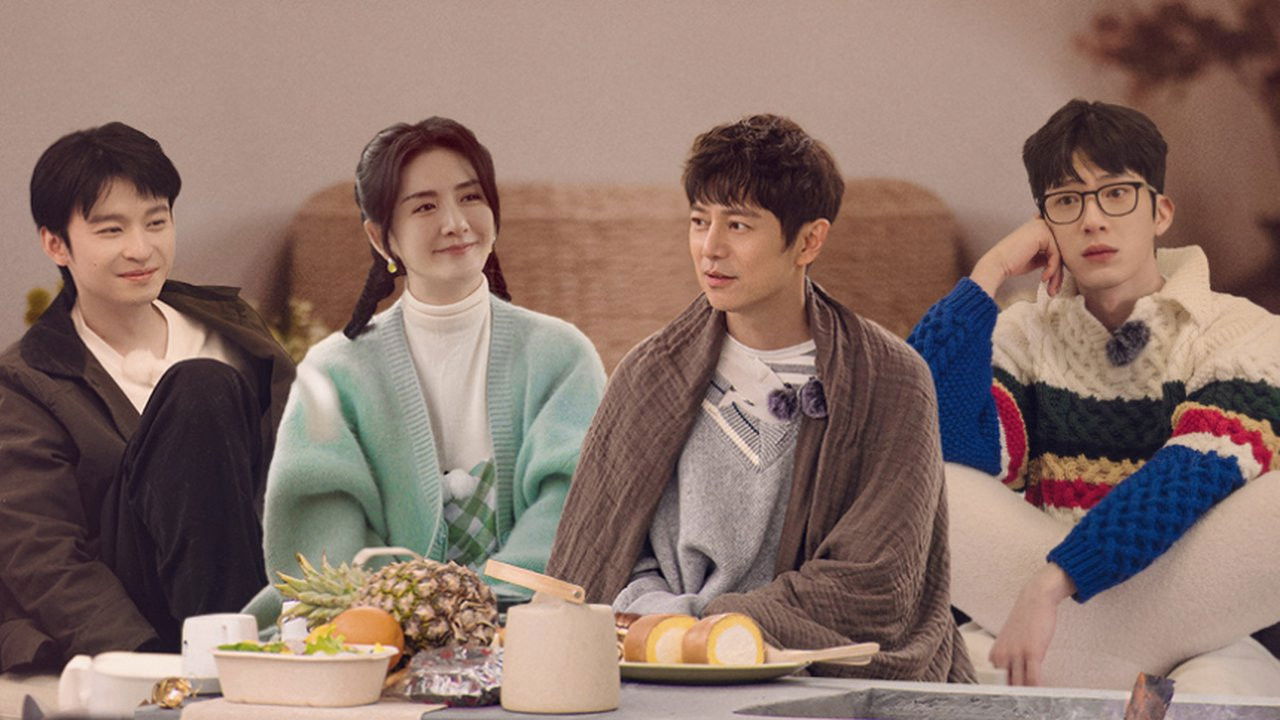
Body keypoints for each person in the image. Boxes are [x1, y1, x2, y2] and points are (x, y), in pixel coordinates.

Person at [548, 114, 974, 681]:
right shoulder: (649, 377)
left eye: (738, 226)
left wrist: (716, 625)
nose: (710, 249)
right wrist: (680, 632)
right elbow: (605, 559)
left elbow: (876, 583)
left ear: (809, 241)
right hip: (667, 665)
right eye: (699, 221)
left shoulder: (892, 380)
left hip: (818, 674)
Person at [908, 99, 1280, 692]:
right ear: (1044, 225)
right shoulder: (1024, 333)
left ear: (1160, 213)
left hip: (1187, 622)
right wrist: (990, 270)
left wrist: (1051, 585)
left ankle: (1082, 668)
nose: (1093, 220)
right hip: (1039, 606)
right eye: (1067, 201)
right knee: (934, 477)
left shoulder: (1242, 332)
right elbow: (937, 436)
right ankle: (1110, 671)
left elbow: (1186, 480)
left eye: (1116, 194)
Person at [248, 117, 605, 623]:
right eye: (424, 206)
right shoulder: (332, 371)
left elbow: (574, 502)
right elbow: (321, 532)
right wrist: (410, 612)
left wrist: (487, 605)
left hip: (534, 622)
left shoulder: (562, 355)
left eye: (471, 197)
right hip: (370, 629)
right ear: (381, 237)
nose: (456, 223)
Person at [0, 122, 295, 669]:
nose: (141, 249)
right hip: (144, 615)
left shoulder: (233, 331)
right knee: (199, 386)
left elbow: (292, 473)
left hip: (263, 596)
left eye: (156, 222)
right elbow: (42, 551)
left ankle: (247, 645)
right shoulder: (28, 380)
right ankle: (230, 657)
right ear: (55, 243)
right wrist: (144, 660)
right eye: (111, 230)